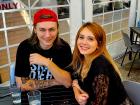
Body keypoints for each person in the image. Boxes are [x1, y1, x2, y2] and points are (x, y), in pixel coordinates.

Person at [15, 8, 78, 105]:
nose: (47, 35)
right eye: (42, 30)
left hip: (60, 99)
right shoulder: (25, 47)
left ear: (57, 29)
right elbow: (22, 85)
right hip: (34, 99)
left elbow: (68, 82)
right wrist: (56, 81)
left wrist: (47, 62)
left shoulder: (64, 47)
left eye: (52, 29)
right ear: (35, 29)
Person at [67, 22, 134, 105]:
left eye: (90, 39)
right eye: (81, 37)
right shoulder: (80, 57)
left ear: (99, 44)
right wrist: (76, 91)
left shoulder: (100, 65)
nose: (83, 42)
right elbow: (74, 77)